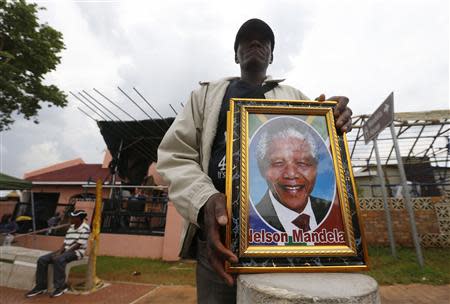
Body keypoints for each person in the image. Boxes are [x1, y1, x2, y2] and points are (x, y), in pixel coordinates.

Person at [157, 18, 353, 303]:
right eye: (246, 39)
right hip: (220, 241)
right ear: (236, 54)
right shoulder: (206, 95)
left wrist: (332, 124)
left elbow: (321, 159)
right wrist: (204, 200)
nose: (256, 43)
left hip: (288, 244)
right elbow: (175, 155)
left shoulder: (295, 98)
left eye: (264, 41)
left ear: (272, 56)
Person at [254, 118, 331, 234]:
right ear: (262, 169)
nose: (291, 174)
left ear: (316, 167)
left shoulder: (332, 213)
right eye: (278, 163)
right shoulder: (251, 221)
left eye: (302, 163)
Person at [26, 210, 91, 298]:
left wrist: (62, 254)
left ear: (79, 219)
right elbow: (65, 242)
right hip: (66, 250)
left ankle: (61, 287)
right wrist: (60, 251)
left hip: (77, 252)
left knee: (59, 259)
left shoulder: (85, 228)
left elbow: (78, 245)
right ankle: (41, 286)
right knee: (42, 259)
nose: (70, 219)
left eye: (73, 217)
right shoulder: (71, 227)